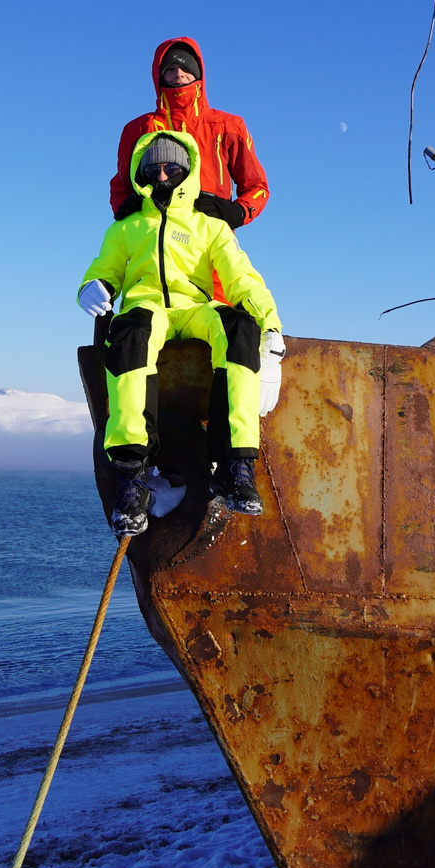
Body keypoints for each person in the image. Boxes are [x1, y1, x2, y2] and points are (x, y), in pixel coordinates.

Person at [79, 129, 283, 536]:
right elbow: (106, 268)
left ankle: (234, 466)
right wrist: (92, 285)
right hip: (147, 305)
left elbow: (241, 278)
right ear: (140, 174)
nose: (163, 173)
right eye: (153, 167)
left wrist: (270, 324)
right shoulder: (126, 229)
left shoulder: (210, 227)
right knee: (129, 332)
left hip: (195, 307)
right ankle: (132, 475)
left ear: (188, 170)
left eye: (173, 165)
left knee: (237, 326)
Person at [108, 37, 268, 232]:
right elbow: (121, 187)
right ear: (158, 76)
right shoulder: (138, 129)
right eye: (170, 69)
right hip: (152, 239)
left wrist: (237, 212)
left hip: (211, 239)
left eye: (186, 68)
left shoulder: (228, 126)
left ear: (199, 73)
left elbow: (257, 186)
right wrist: (125, 209)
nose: (179, 74)